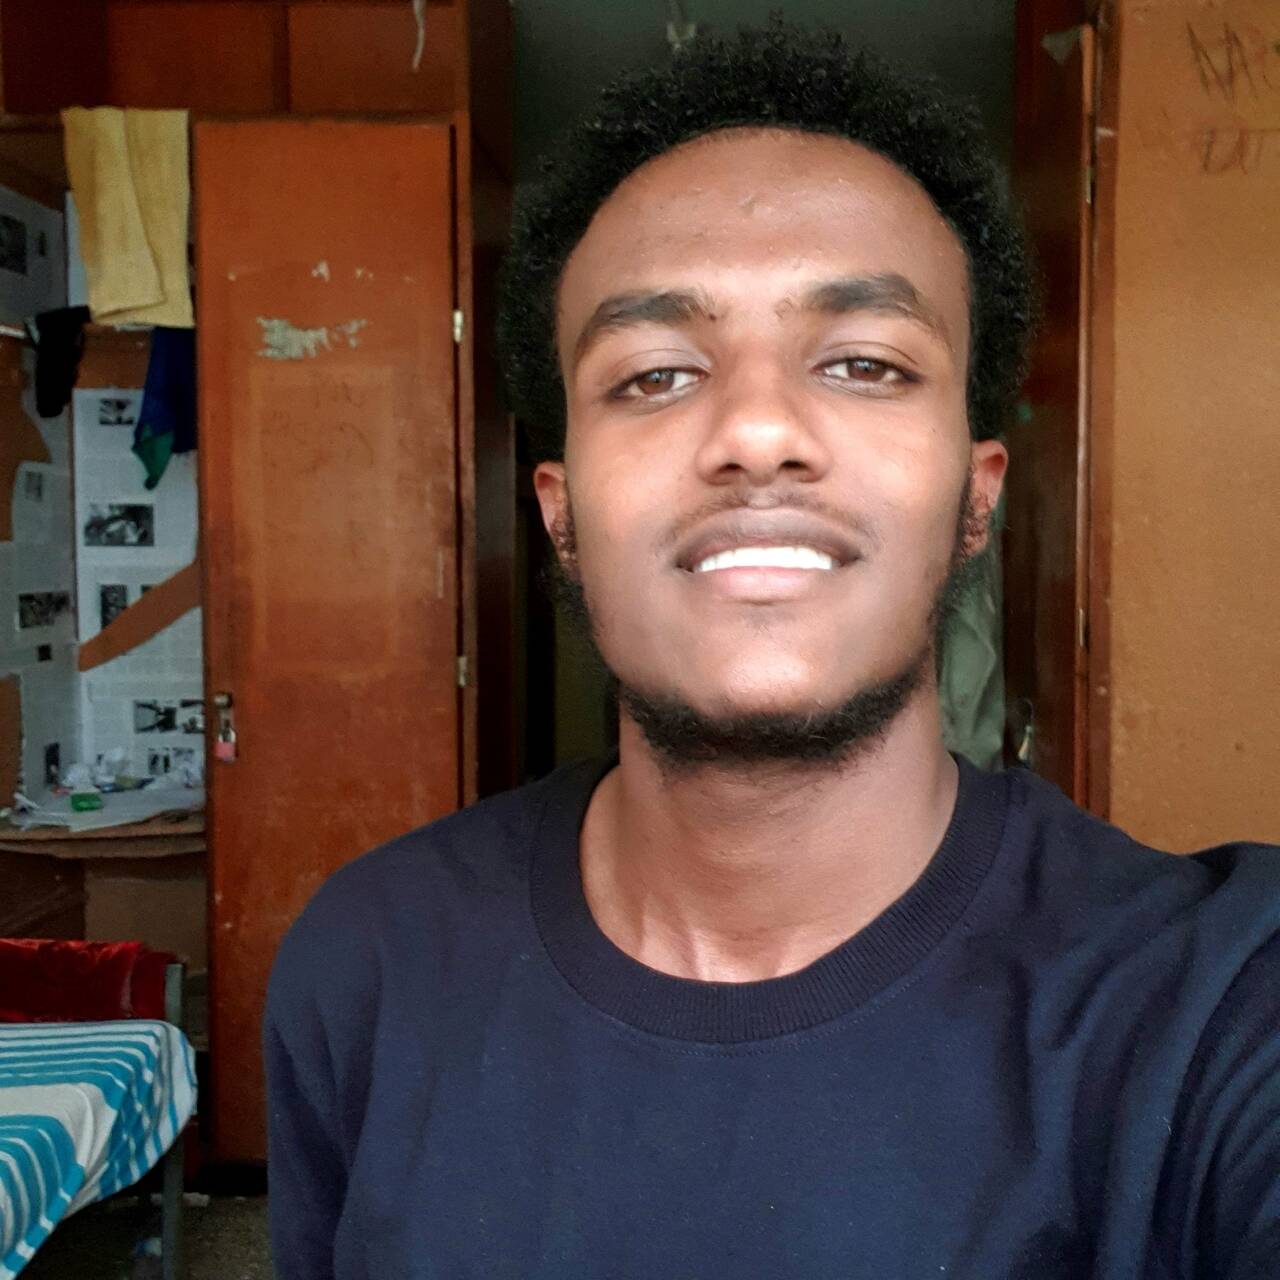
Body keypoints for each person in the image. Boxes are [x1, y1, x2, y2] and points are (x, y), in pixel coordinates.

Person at [264, 21, 1280, 1279]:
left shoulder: (1213, 1006)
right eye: (651, 375)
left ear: (974, 496)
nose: (754, 428)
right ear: (559, 512)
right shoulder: (367, 963)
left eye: (862, 362)